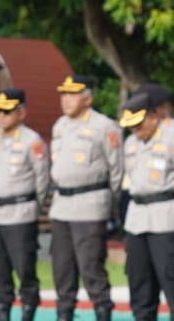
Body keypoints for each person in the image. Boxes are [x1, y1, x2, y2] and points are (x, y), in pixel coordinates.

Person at [119, 92, 174, 321]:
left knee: (172, 281)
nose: (134, 130)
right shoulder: (131, 143)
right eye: (131, 126)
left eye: (138, 124)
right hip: (137, 220)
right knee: (139, 283)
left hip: (166, 217)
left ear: (153, 117)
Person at [50, 74, 123, 321]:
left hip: (90, 203)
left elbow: (117, 170)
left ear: (88, 99)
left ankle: (102, 310)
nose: (66, 99)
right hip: (61, 205)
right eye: (64, 94)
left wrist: (110, 203)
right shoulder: (60, 126)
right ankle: (64, 313)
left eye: (72, 95)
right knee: (62, 267)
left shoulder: (104, 126)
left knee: (91, 266)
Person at [0, 89, 50, 321]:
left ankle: (28, 312)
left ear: (21, 113)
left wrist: (33, 206)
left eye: (7, 111)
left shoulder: (31, 141)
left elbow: (42, 180)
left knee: (24, 269)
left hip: (21, 213)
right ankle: (2, 313)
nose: (1, 116)